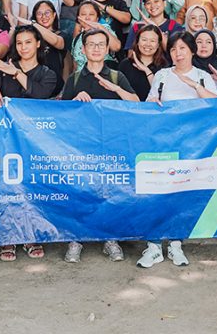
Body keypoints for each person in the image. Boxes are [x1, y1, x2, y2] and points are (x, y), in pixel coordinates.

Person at [138, 32, 217, 268]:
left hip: (192, 147)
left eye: (183, 48)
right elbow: (149, 104)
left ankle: (175, 245)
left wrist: (194, 85)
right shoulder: (162, 75)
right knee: (156, 191)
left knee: (181, 195)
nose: (178, 53)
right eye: (173, 49)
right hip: (162, 144)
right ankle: (153, 247)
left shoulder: (202, 77)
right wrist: (152, 103)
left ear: (192, 51)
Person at [61, 28, 137, 263]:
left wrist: (115, 89)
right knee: (80, 192)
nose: (95, 48)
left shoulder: (116, 76)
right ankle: (76, 239)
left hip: (111, 147)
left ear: (107, 49)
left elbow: (136, 103)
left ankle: (109, 239)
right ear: (83, 50)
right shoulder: (73, 79)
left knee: (109, 193)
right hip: (81, 148)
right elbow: (62, 115)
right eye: (90, 44)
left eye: (100, 45)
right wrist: (75, 101)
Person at [0, 26, 58, 261]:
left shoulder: (48, 73)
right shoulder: (2, 69)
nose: (23, 47)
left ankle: (31, 236)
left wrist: (15, 73)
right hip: (5, 140)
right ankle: (8, 237)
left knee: (32, 188)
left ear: (38, 44)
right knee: (6, 187)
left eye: (28, 42)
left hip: (35, 141)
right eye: (19, 43)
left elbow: (39, 95)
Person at [23, 0, 71, 94]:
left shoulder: (62, 35)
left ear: (54, 14)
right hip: (32, 87)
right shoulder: (30, 37)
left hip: (55, 88)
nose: (44, 16)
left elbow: (57, 42)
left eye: (47, 12)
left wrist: (63, 91)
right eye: (39, 13)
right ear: (35, 17)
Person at [118, 24, 168, 101]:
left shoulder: (165, 66)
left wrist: (147, 70)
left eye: (152, 41)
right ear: (137, 42)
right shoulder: (125, 64)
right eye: (144, 40)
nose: (148, 44)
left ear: (158, 45)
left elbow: (164, 94)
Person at [70, 1, 121, 71]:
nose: (87, 18)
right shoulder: (77, 39)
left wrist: (98, 26)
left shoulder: (105, 29)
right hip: (83, 80)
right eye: (83, 14)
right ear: (78, 18)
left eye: (91, 14)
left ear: (97, 18)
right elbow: (75, 66)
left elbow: (116, 47)